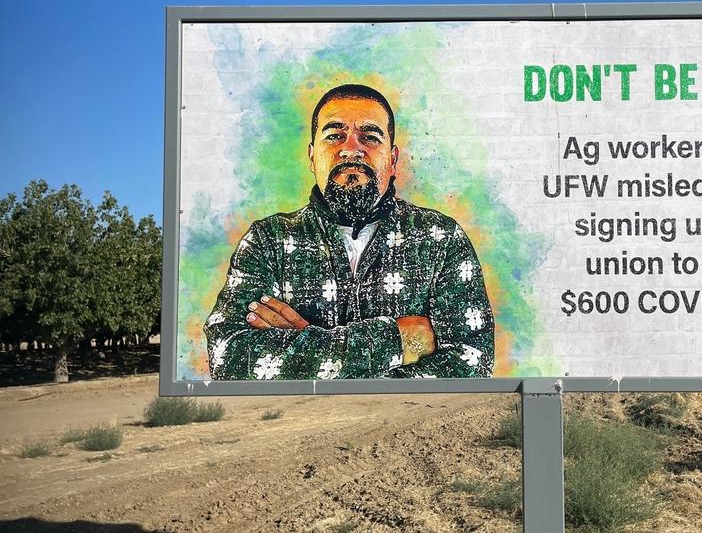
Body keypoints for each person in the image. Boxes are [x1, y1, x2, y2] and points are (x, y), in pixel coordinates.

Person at [204, 84, 494, 380]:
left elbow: (472, 362)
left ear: (392, 160)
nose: (351, 149)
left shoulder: (441, 238)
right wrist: (398, 341)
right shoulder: (267, 240)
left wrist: (307, 348)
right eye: (334, 135)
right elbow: (230, 356)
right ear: (312, 155)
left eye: (370, 137)